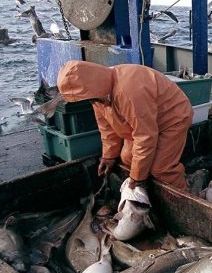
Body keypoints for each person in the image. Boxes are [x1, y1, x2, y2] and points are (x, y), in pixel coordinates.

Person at [57, 60, 193, 190]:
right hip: (142, 125)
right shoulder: (97, 95)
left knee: (161, 170)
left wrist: (138, 178)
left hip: (172, 119)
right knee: (127, 159)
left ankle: (185, 201)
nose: (89, 101)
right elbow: (106, 127)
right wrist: (109, 155)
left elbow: (145, 136)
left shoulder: (129, 92)